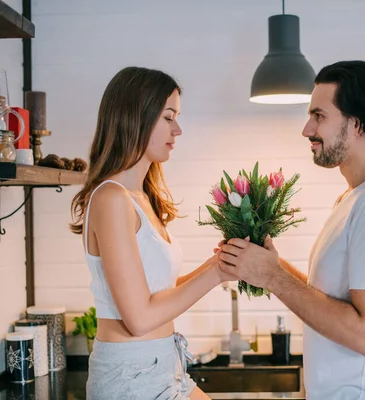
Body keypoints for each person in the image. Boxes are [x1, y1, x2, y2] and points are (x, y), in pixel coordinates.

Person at [218, 60, 365, 400]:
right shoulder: (357, 197)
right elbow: (334, 300)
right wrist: (270, 267)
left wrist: (274, 278)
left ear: (357, 123)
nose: (307, 130)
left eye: (319, 116)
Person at [70, 66, 230, 400]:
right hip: (130, 376)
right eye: (168, 117)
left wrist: (221, 262)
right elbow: (139, 318)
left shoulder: (141, 198)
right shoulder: (111, 198)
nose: (178, 129)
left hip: (163, 366)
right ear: (136, 118)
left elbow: (159, 293)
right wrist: (216, 274)